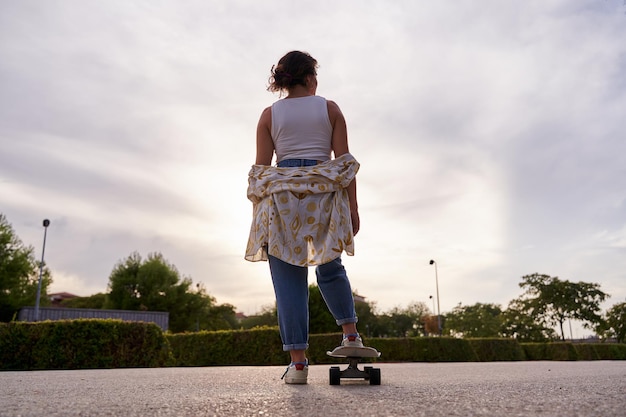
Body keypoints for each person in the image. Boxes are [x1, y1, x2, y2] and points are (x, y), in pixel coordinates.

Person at [245, 51, 367, 384]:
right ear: (311, 77)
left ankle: (298, 364)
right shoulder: (329, 108)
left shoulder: (269, 115)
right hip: (322, 193)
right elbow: (344, 166)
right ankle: (351, 335)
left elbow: (261, 170)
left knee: (288, 281)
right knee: (330, 266)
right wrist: (352, 209)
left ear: (283, 81)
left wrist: (261, 218)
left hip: (283, 196)